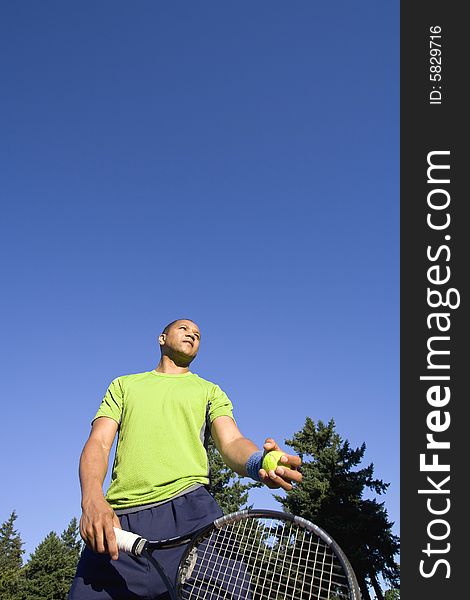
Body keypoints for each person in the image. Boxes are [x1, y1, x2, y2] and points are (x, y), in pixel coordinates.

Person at [68, 318, 302, 599]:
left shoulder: (209, 391)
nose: (192, 334)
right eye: (184, 329)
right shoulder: (124, 385)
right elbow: (99, 442)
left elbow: (232, 441)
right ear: (162, 338)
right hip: (119, 527)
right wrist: (92, 499)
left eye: (198, 334)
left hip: (193, 517)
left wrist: (258, 462)